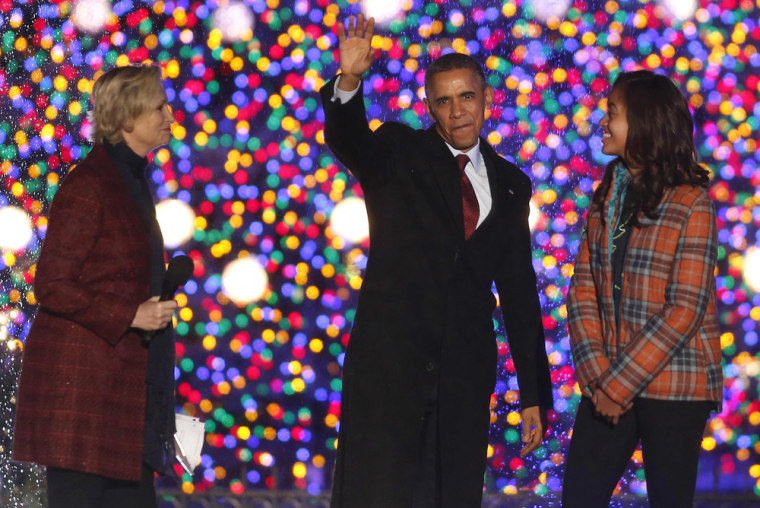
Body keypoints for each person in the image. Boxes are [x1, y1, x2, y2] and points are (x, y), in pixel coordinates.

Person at [320, 16, 552, 507]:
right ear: (431, 107)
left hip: (463, 379)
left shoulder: (512, 185)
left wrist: (533, 393)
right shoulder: (399, 150)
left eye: (466, 97)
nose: (458, 112)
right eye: (444, 101)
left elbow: (518, 291)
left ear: (486, 100)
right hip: (391, 372)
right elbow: (349, 141)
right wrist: (349, 82)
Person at [12, 65, 179, 508]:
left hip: (122, 399)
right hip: (84, 400)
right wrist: (130, 314)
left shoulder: (131, 181)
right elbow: (51, 284)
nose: (170, 115)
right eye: (159, 106)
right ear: (126, 118)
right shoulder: (90, 184)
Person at [562, 70, 722, 507]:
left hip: (675, 385)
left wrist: (617, 386)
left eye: (612, 112)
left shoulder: (692, 203)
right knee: (579, 496)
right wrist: (598, 381)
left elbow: (684, 310)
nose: (603, 121)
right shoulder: (605, 197)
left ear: (645, 123)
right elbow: (582, 292)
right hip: (608, 379)